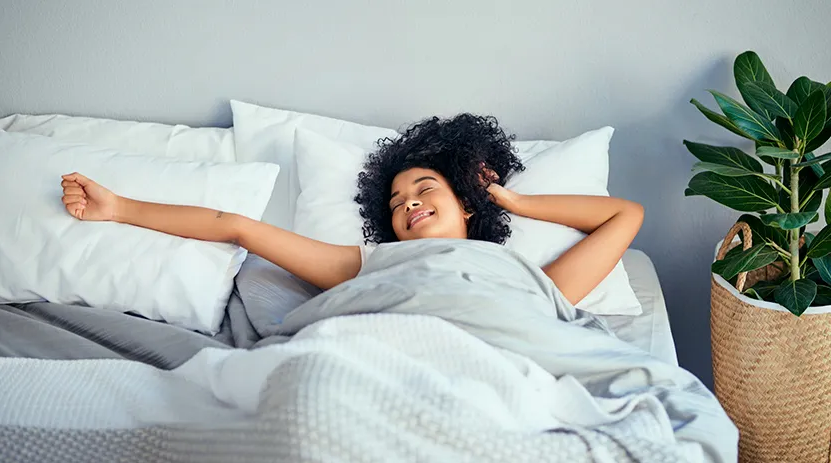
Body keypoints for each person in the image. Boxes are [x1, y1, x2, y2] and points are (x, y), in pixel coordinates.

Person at [60, 114, 643, 307]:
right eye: (395, 203)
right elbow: (234, 227)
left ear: (467, 204)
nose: (408, 202)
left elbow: (626, 217)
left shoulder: (530, 284)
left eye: (425, 189)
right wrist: (121, 208)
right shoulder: (369, 265)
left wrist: (510, 199)